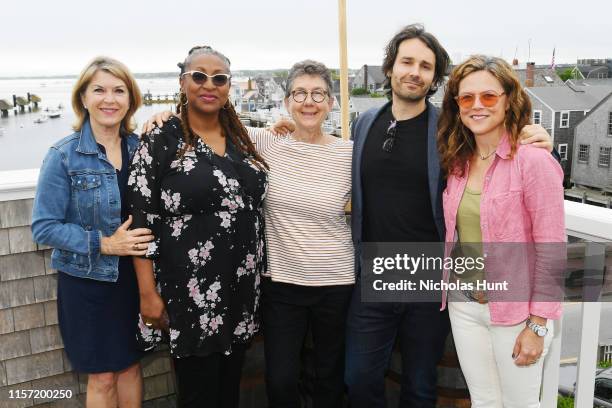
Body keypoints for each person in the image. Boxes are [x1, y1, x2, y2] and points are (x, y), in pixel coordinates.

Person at [344, 24, 555, 408]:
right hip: (376, 274)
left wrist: (535, 136)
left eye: (426, 66)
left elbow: (495, 134)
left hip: (430, 278)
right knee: (358, 378)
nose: (415, 72)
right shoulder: (365, 123)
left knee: (422, 384)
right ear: (390, 68)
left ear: (434, 77)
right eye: (407, 61)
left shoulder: (447, 127)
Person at [145, 59, 354, 408]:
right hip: (282, 284)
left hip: (337, 281)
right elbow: (205, 125)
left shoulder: (348, 153)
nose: (309, 101)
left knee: (329, 377)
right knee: (282, 380)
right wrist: (164, 116)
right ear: (287, 101)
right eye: (300, 93)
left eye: (319, 93)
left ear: (331, 103)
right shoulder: (262, 142)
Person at [127, 45, 268, 408]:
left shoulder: (242, 137)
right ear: (182, 82)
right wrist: (147, 294)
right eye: (199, 76)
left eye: (219, 78)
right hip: (190, 295)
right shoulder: (160, 139)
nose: (209, 85)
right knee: (198, 396)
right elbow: (141, 221)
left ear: (229, 86)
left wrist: (282, 127)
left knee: (228, 392)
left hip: (240, 291)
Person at [437, 55, 564, 408]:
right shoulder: (458, 161)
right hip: (465, 306)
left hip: (517, 313)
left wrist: (537, 325)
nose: (477, 105)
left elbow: (552, 249)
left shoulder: (534, 160)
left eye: (489, 96)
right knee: (483, 400)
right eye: (466, 98)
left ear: (509, 99)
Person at [31, 56, 151, 407]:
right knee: (102, 376)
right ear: (83, 98)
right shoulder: (64, 156)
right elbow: (43, 227)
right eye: (99, 90)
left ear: (131, 99)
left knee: (131, 367)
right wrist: (104, 243)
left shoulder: (140, 149)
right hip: (87, 283)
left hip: (135, 278)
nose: (109, 99)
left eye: (118, 90)